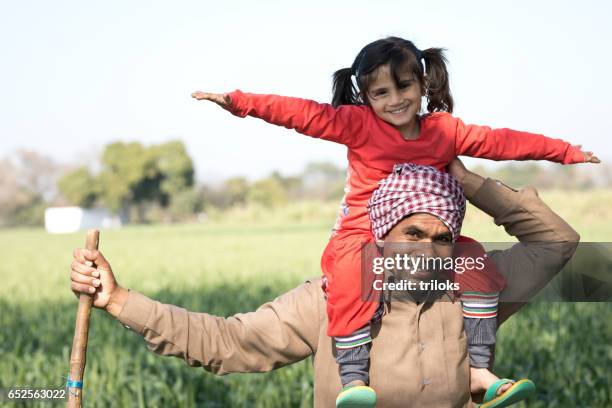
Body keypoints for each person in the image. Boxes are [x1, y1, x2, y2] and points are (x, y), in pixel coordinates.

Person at [190, 36, 598, 406]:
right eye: (380, 93)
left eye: (403, 87)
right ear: (365, 96)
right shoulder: (357, 124)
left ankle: (478, 370)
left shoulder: (445, 131)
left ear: (423, 84)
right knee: (353, 275)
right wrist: (239, 102)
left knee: (477, 265)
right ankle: (352, 379)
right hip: (363, 231)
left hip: (429, 230)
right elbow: (302, 114)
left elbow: (503, 142)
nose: (395, 100)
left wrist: (564, 151)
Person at [69, 160, 580, 407]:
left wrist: (463, 178)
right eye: (413, 233)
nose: (426, 251)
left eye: (442, 238)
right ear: (381, 234)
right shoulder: (329, 297)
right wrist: (116, 299)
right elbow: (226, 342)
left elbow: (557, 242)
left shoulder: (472, 291)